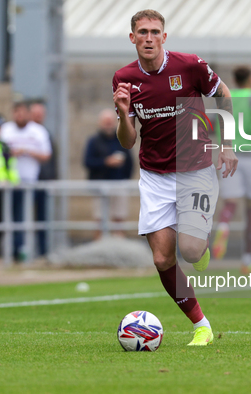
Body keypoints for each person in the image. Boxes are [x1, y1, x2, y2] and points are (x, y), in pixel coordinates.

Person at [112, 9, 237, 346]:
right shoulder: (123, 79)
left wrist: (227, 145)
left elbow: (223, 94)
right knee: (162, 258)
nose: (148, 38)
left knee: (192, 252)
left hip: (195, 170)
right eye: (142, 32)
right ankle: (202, 326)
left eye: (154, 32)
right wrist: (124, 115)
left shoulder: (190, 66)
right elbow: (127, 140)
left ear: (164, 37)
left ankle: (200, 248)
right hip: (154, 176)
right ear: (132, 38)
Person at [211, 66, 251, 274]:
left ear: (234, 80)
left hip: (230, 153)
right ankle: (247, 259)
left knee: (230, 201)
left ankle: (224, 226)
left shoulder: (225, 96)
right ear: (250, 79)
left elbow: (213, 126)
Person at [0, 102, 52, 260]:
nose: (19, 116)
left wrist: (28, 151)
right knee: (14, 218)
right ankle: (16, 251)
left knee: (34, 217)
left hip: (31, 181)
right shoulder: (6, 129)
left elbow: (46, 155)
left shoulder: (38, 131)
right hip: (11, 181)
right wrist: (10, 154)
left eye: (22, 112)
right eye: (16, 112)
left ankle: (41, 252)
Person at [84, 109, 134, 239]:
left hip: (119, 184)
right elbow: (87, 162)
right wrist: (106, 162)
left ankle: (118, 245)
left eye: (110, 122)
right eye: (105, 122)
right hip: (100, 185)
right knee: (99, 218)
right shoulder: (93, 141)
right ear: (100, 123)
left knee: (119, 217)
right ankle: (99, 246)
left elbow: (130, 162)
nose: (108, 125)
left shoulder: (121, 140)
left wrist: (125, 179)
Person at [0, 115, 20, 257]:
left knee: (1, 224)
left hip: (4, 190)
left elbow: (10, 166)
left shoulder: (4, 145)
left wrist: (13, 181)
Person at [30, 100, 56, 255]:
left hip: (44, 183)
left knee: (43, 219)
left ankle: (43, 252)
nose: (38, 116)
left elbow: (53, 160)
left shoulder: (47, 134)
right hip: (27, 183)